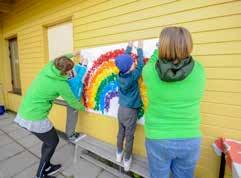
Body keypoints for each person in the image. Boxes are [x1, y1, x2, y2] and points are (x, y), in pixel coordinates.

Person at [142, 26, 206, 178]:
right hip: (190, 138)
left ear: (162, 46)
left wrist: (158, 50)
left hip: (158, 138)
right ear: (188, 45)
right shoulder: (199, 70)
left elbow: (151, 63)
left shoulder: (149, 72)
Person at [14, 52, 85, 178]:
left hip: (25, 111)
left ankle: (46, 165)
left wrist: (72, 54)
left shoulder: (49, 67)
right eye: (69, 71)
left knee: (49, 142)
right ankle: (40, 175)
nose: (71, 72)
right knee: (52, 142)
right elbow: (73, 102)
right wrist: (85, 108)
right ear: (64, 72)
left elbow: (61, 57)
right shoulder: (60, 84)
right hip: (35, 117)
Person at [115, 40, 144, 171]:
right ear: (130, 67)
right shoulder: (133, 76)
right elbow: (141, 65)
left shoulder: (120, 75)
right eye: (132, 63)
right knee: (129, 136)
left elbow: (123, 62)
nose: (134, 63)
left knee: (121, 133)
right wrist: (139, 49)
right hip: (130, 111)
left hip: (121, 109)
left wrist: (129, 47)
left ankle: (118, 154)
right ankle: (127, 160)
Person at [66, 53, 88, 143]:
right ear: (71, 73)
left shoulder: (71, 78)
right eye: (73, 69)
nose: (75, 69)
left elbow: (77, 71)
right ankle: (71, 136)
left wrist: (80, 62)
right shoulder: (74, 80)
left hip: (72, 101)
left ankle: (71, 133)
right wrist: (85, 64)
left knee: (71, 119)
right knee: (72, 119)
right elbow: (80, 73)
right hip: (73, 103)